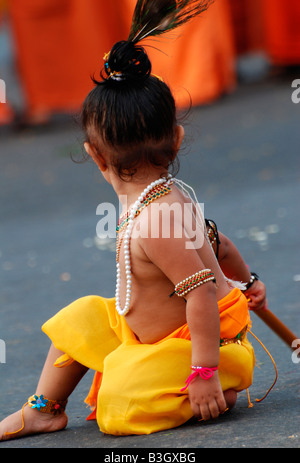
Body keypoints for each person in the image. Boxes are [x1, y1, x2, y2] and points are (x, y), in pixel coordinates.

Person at [0, 0, 267, 440]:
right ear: (177, 139)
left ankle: (214, 390)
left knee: (120, 404)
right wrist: (248, 279)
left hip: (199, 349)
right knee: (80, 317)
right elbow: (218, 244)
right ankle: (44, 409)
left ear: (93, 154)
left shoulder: (154, 219)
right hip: (151, 338)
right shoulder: (160, 196)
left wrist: (203, 370)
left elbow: (200, 296)